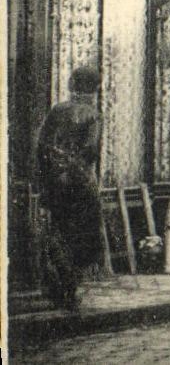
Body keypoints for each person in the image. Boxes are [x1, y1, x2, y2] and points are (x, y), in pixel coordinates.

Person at [35, 66, 104, 310]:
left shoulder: (57, 110)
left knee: (57, 232)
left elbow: (41, 146)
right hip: (81, 184)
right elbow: (91, 152)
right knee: (81, 238)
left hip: (56, 182)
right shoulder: (92, 115)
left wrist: (51, 174)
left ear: (72, 84)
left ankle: (59, 284)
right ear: (94, 89)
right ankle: (70, 287)